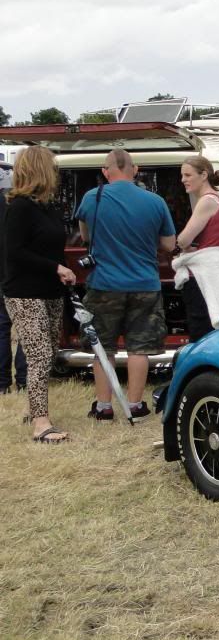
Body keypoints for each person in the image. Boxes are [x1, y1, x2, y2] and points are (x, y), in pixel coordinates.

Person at [75, 148, 176, 421]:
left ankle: (103, 406)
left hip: (104, 284)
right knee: (139, 347)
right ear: (136, 169)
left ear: (105, 172)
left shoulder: (91, 198)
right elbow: (169, 244)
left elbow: (86, 237)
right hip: (145, 284)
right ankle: (135, 405)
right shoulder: (155, 201)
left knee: (103, 346)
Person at [1, 146, 77, 442]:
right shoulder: (19, 207)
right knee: (40, 354)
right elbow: (15, 253)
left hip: (50, 291)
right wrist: (56, 266)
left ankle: (34, 409)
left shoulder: (47, 206)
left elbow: (52, 246)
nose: (56, 173)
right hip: (24, 292)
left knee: (49, 353)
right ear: (41, 170)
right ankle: (41, 425)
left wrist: (63, 270)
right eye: (52, 167)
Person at [172, 156, 219, 342]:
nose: (183, 179)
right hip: (211, 271)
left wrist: (184, 244)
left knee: (201, 329)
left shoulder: (207, 201)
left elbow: (184, 239)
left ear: (203, 175)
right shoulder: (216, 199)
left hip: (202, 277)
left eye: (187, 175)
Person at [0, 171, 28, 393]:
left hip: (5, 273)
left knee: (2, 327)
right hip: (20, 274)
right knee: (26, 328)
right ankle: (24, 378)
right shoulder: (21, 204)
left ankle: (2, 383)